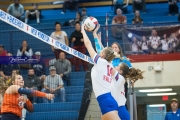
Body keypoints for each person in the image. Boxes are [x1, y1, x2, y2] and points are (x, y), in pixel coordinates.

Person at [81, 23, 120, 120]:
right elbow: (101, 50)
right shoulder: (108, 64)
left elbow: (88, 44)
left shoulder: (101, 62)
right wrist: (94, 34)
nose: (100, 51)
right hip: (108, 100)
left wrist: (82, 30)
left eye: (102, 52)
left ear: (102, 55)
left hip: (106, 101)